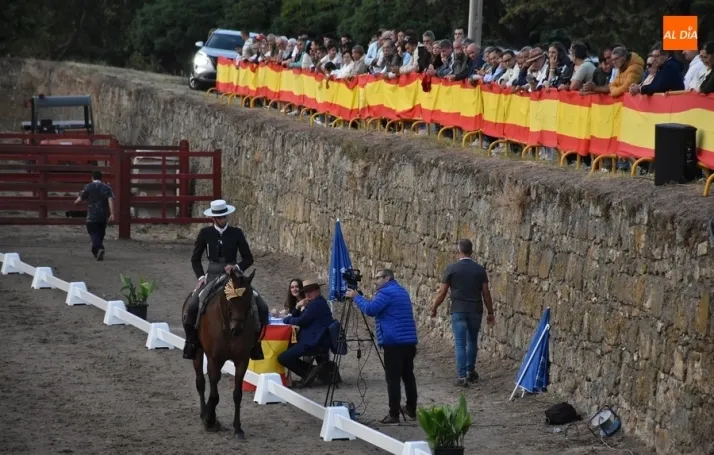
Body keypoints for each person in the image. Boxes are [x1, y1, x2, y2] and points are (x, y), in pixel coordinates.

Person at [183, 199, 263, 360]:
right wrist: (201, 277)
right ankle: (192, 342)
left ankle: (255, 344)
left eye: (224, 217)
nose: (222, 219)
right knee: (192, 306)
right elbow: (195, 259)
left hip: (234, 276)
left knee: (260, 305)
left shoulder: (236, 233)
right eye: (219, 217)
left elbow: (248, 258)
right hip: (212, 274)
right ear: (213, 218)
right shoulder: (205, 233)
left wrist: (237, 267)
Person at [346, 269, 418, 426]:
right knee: (408, 376)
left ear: (388, 278)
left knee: (393, 379)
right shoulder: (401, 291)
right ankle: (411, 409)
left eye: (378, 278)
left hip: (393, 342)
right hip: (408, 340)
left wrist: (356, 297)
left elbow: (370, 310)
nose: (375, 281)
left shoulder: (386, 293)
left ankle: (393, 414)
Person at [430, 239, 495, 387]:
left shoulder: (452, 269)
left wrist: (434, 307)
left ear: (458, 251)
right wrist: (490, 312)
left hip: (458, 309)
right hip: (475, 310)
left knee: (460, 343)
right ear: (471, 251)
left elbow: (442, 292)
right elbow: (486, 293)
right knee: (472, 341)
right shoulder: (480, 270)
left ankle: (461, 376)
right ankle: (470, 371)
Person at [277, 279, 334, 384]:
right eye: (306, 291)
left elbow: (300, 321)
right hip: (314, 339)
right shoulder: (316, 302)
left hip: (314, 342)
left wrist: (286, 319)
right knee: (285, 349)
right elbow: (298, 317)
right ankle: (313, 371)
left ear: (318, 291)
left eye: (310, 291)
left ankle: (310, 372)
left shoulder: (315, 305)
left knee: (283, 357)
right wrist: (297, 307)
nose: (307, 294)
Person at [74, 170, 115, 261]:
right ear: (101, 178)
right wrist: (112, 214)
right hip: (103, 215)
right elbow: (110, 200)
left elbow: (78, 200)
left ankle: (100, 248)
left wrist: (76, 202)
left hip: (92, 216)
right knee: (100, 234)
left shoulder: (88, 187)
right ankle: (96, 251)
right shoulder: (107, 188)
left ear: (92, 178)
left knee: (93, 233)